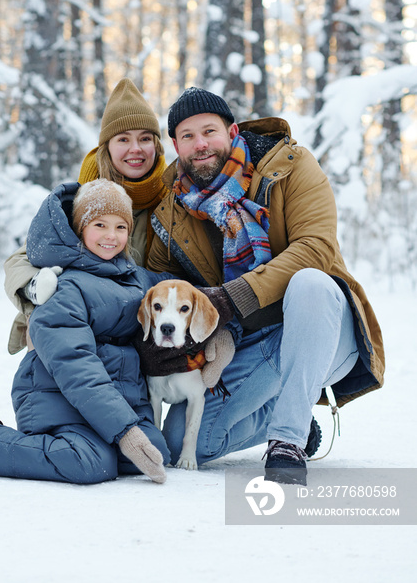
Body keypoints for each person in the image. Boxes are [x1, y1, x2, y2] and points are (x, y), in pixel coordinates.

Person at [140, 86, 385, 485]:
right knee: (182, 440)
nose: (200, 144)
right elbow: (161, 283)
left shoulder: (291, 165)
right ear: (175, 145)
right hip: (251, 343)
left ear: (232, 130)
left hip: (322, 328)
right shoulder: (172, 209)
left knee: (310, 283)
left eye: (209, 131)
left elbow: (317, 248)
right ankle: (292, 412)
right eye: (188, 136)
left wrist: (233, 298)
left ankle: (287, 441)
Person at [0, 179, 172, 484]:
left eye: (121, 227)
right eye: (99, 225)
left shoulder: (137, 278)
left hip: (111, 401)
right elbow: (74, 364)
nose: (111, 236)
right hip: (56, 395)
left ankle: (107, 434)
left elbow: (186, 293)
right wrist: (124, 430)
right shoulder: (65, 286)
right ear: (80, 228)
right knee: (89, 463)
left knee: (156, 451)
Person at [4, 77, 168, 356]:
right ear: (107, 147)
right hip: (78, 319)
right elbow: (22, 259)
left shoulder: (170, 200)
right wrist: (38, 295)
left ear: (157, 145)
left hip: (137, 324)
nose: (136, 149)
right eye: (123, 139)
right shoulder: (84, 198)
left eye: (145, 138)